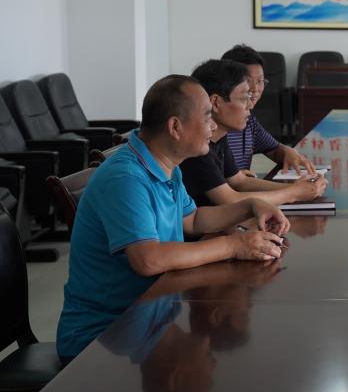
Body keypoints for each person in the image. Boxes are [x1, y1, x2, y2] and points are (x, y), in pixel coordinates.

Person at [56, 75, 289, 361]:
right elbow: (148, 260)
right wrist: (234, 245)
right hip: (105, 337)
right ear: (175, 127)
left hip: (149, 316)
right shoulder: (126, 178)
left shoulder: (167, 164)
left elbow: (193, 220)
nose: (213, 126)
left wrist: (251, 206)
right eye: (207, 117)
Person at [180, 59, 327, 207]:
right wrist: (293, 193)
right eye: (244, 98)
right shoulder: (198, 147)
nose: (251, 105)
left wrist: (299, 187)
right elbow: (230, 200)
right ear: (216, 103)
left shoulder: (219, 137)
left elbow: (240, 182)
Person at [220, 44, 315, 176]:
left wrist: (289, 152)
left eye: (260, 81)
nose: (255, 89)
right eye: (248, 81)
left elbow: (274, 149)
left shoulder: (249, 121)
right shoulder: (214, 127)